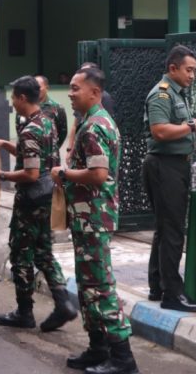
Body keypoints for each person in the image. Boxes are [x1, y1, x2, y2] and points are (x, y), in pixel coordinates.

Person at [49, 67, 137, 374]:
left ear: (94, 92)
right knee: (88, 285)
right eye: (70, 88)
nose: (70, 93)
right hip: (86, 217)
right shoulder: (88, 122)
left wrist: (64, 174)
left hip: (93, 217)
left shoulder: (95, 126)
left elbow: (99, 175)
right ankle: (98, 348)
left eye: (75, 88)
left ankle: (123, 359)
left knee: (100, 286)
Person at [0, 76, 77, 332]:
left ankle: (24, 312)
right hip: (47, 197)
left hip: (30, 199)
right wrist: (5, 145)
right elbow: (33, 155)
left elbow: (30, 172)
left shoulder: (30, 130)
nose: (12, 102)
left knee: (21, 254)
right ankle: (63, 302)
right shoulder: (47, 123)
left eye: (14, 97)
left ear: (23, 98)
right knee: (44, 251)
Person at [143, 45, 196, 313]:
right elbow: (160, 131)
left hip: (174, 166)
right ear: (173, 69)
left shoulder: (179, 94)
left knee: (165, 228)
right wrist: (194, 125)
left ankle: (157, 286)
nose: (192, 76)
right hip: (165, 166)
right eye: (188, 70)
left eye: (194, 71)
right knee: (173, 231)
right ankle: (172, 294)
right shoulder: (162, 95)